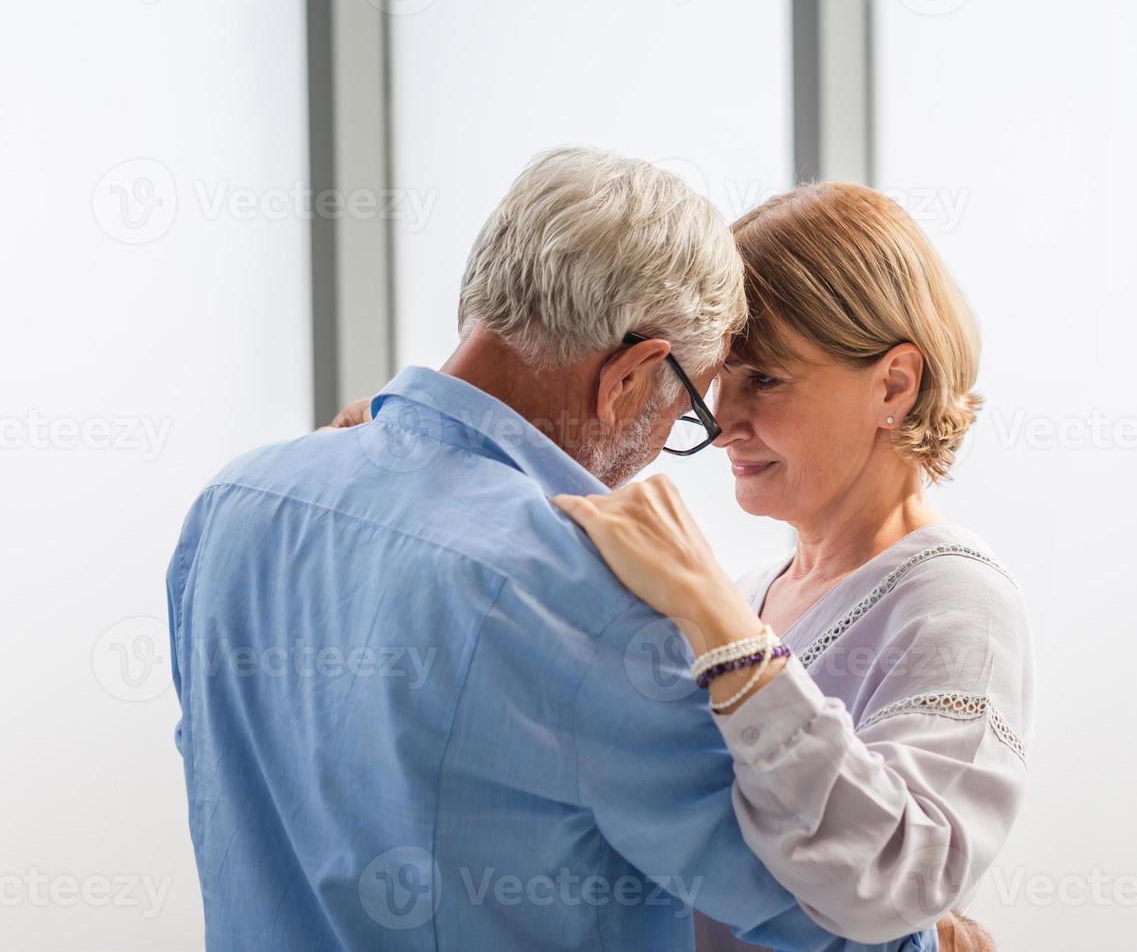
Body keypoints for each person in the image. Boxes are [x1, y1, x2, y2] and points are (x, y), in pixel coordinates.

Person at [165, 147, 936, 951]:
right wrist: (933, 935)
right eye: (685, 417)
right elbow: (809, 907)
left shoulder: (235, 505)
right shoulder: (584, 592)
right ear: (631, 377)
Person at [551, 182, 1033, 952]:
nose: (723, 427)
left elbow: (896, 878)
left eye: (765, 380)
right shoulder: (749, 596)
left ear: (894, 384)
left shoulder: (956, 602)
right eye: (719, 384)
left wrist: (714, 618)